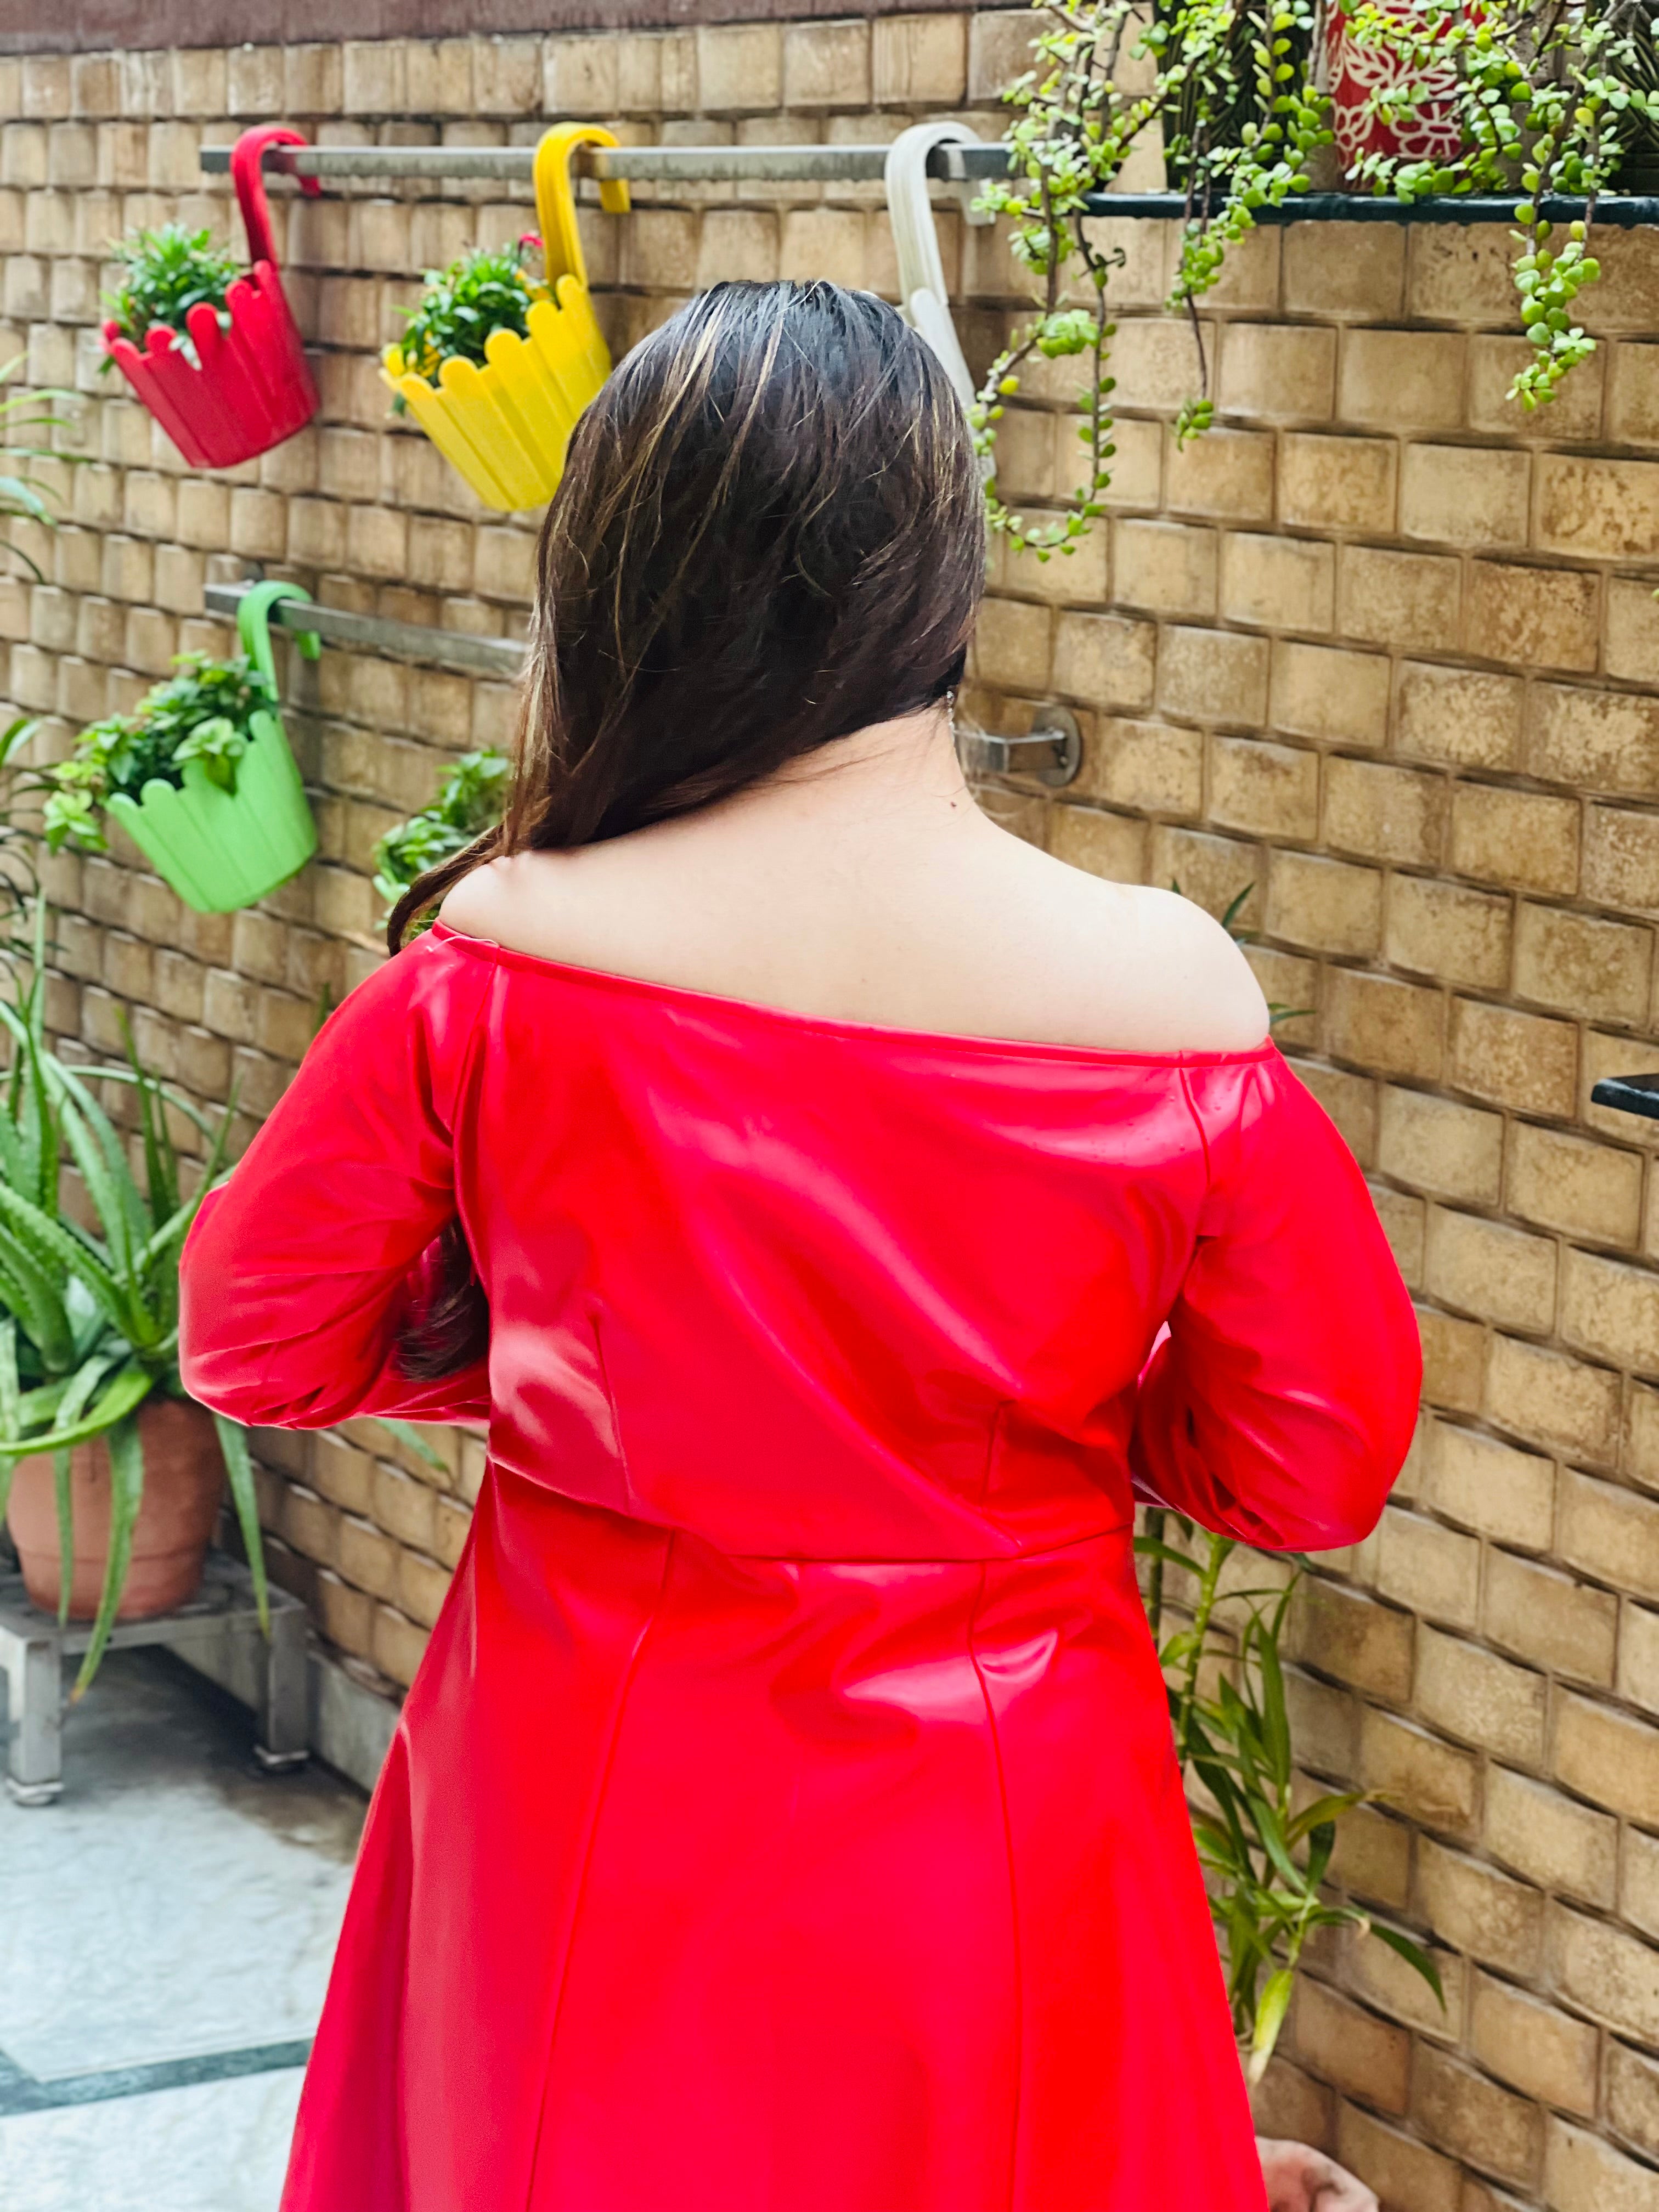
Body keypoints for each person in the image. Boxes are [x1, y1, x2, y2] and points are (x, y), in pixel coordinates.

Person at [179, 280, 1420, 2212]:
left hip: (580, 1760)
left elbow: (260, 1338)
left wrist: (563, 1366)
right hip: (1008, 1787)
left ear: (612, 577)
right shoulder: (1169, 999)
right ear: (943, 575)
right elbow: (1313, 1460)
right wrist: (1037, 1441)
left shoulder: (503, 962)